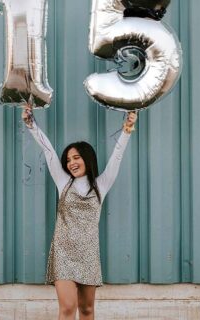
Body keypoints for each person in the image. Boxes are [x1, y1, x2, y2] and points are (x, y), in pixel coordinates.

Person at [22, 103, 137, 320]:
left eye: (76, 157)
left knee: (87, 310)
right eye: (68, 160)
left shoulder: (100, 186)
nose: (71, 163)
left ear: (87, 158)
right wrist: (30, 123)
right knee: (67, 308)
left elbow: (117, 157)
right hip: (64, 254)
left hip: (88, 256)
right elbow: (48, 151)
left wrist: (127, 129)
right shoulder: (63, 181)